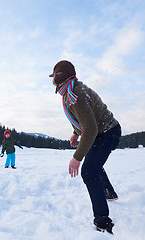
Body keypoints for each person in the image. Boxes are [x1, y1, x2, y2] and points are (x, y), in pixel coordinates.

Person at [49, 60, 121, 234]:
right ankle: (109, 193)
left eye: (54, 77)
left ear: (59, 78)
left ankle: (103, 222)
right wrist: (75, 132)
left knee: (89, 171)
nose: (52, 82)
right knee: (94, 165)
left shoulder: (76, 95)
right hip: (102, 132)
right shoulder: (71, 91)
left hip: (107, 133)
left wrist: (77, 157)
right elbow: (84, 119)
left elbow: (90, 128)